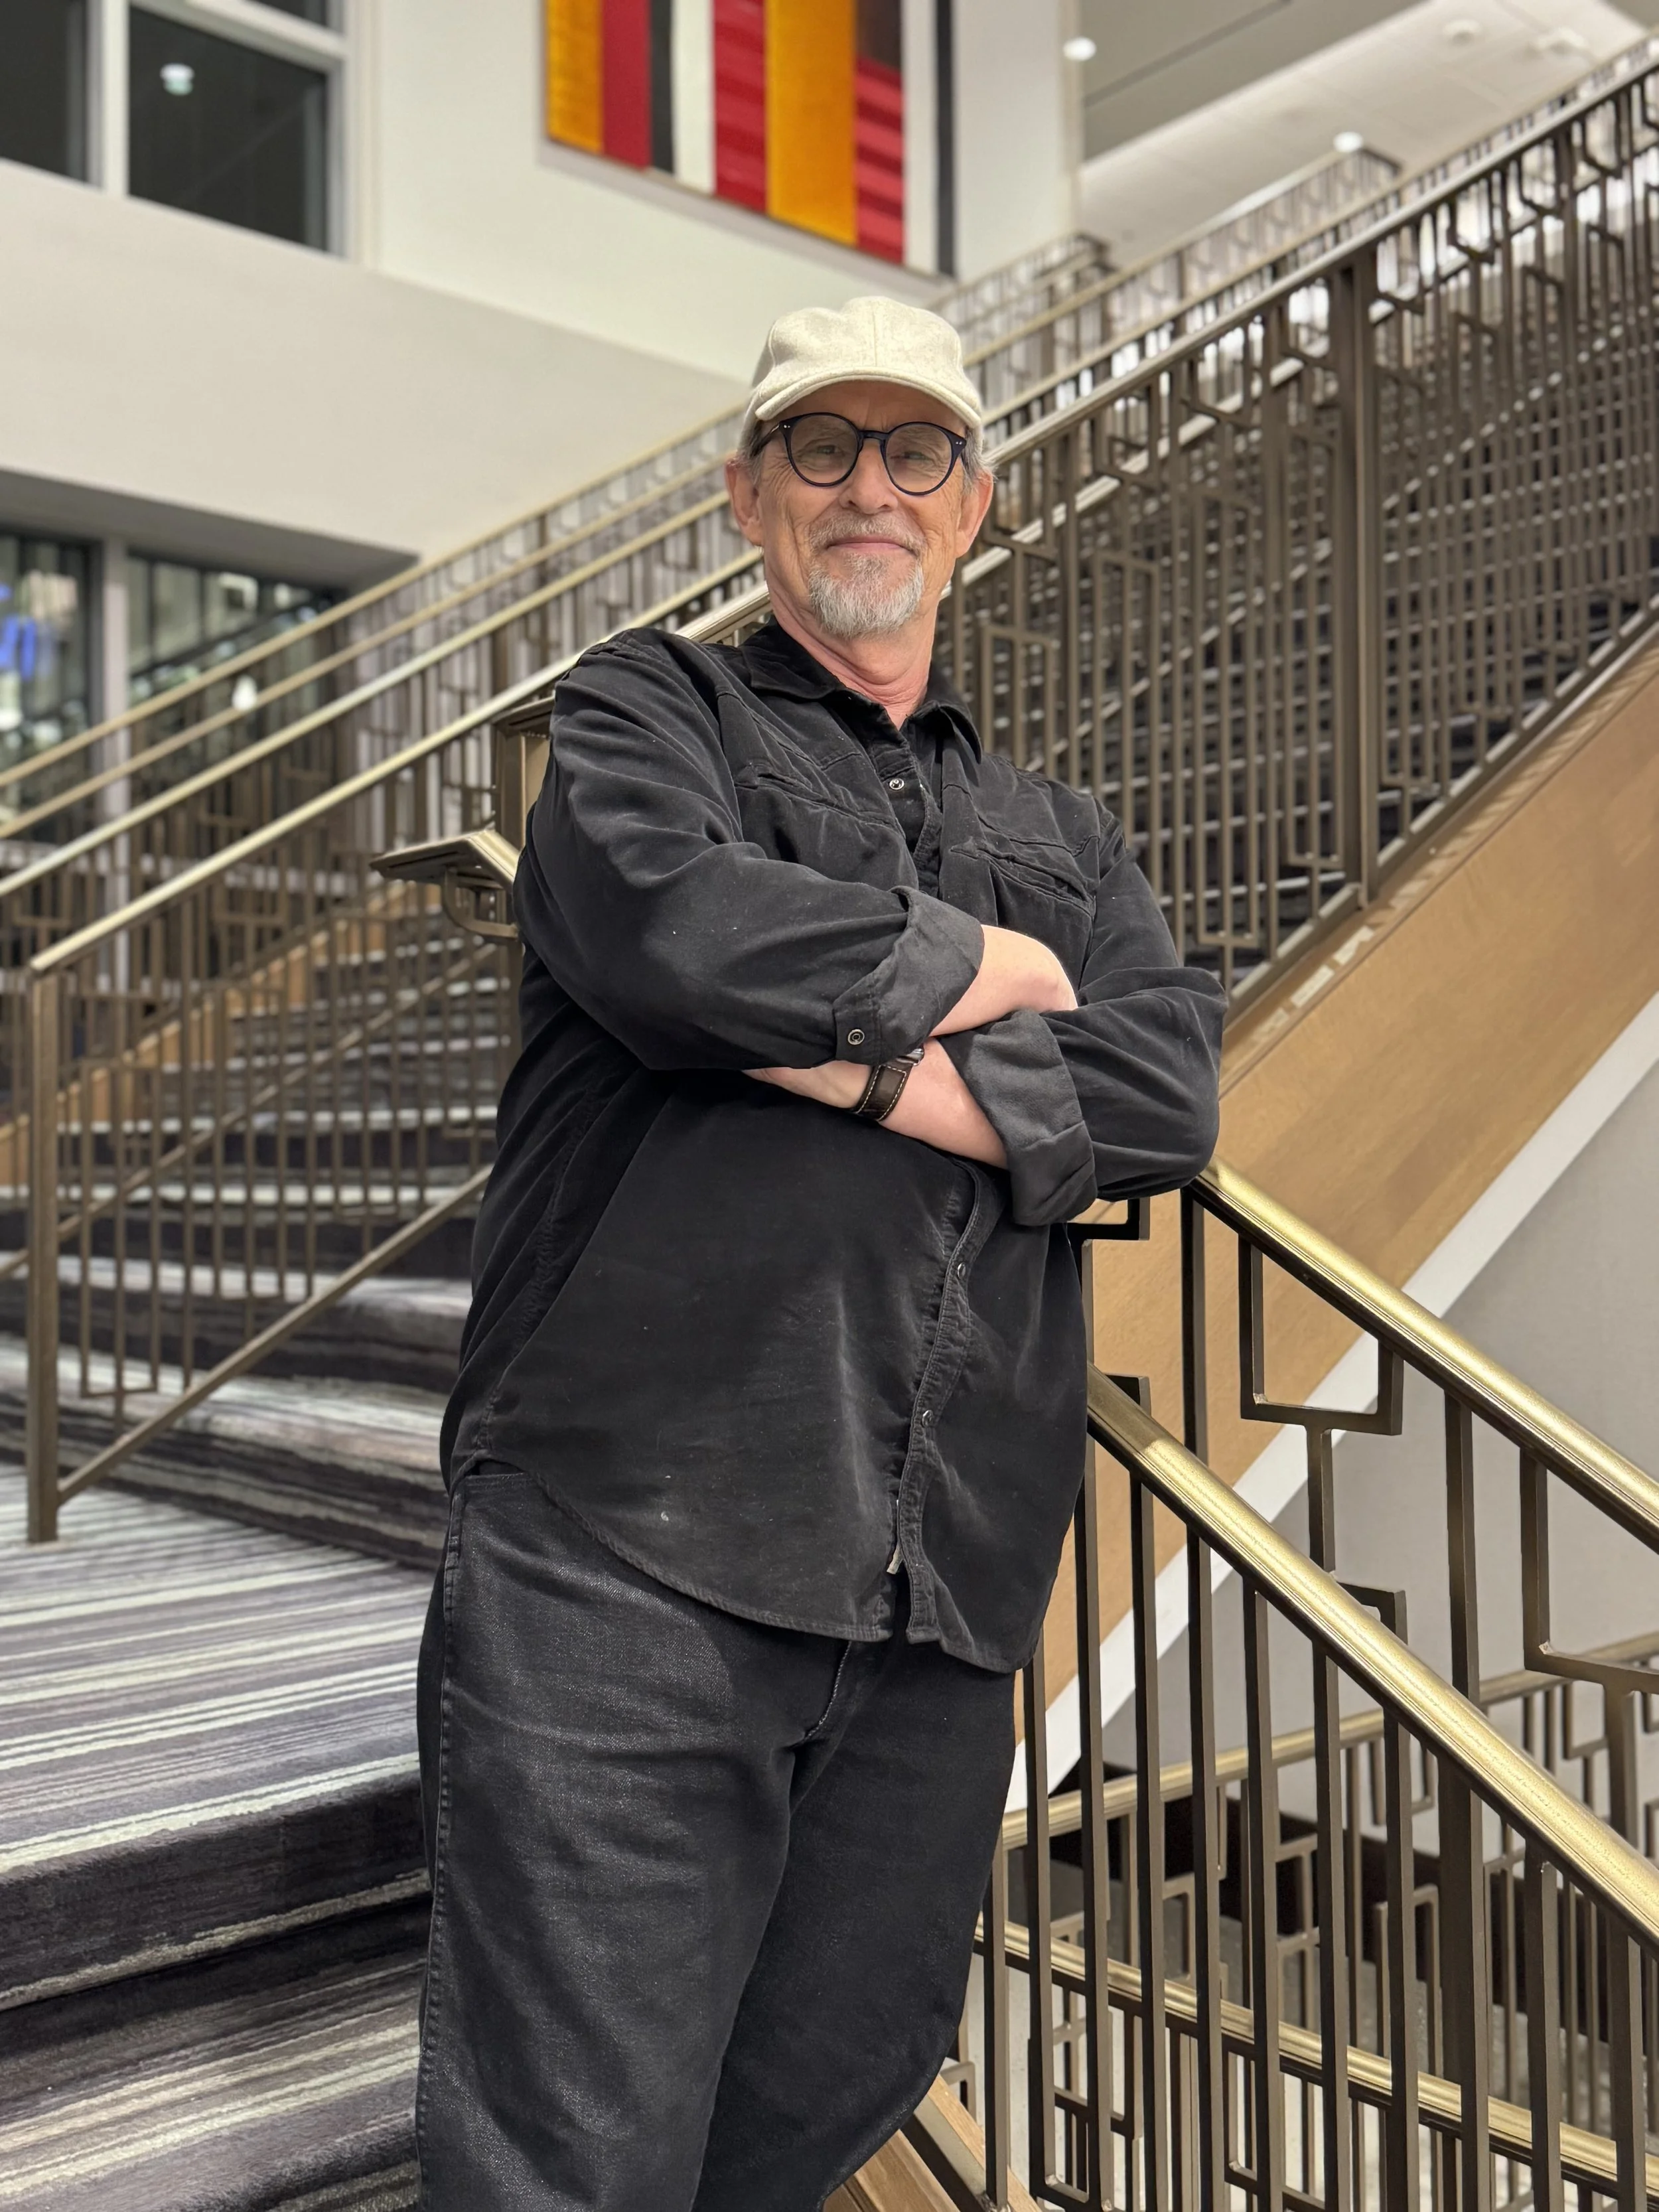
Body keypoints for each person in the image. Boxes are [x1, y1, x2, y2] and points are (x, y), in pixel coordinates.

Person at [416, 295, 1225, 2209]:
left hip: (940, 1586)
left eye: (914, 450)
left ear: (975, 505)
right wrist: (983, 984)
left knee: (832, 2091)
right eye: (820, 447)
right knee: (571, 2156)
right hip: (634, 1544)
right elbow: (679, 938)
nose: (870, 485)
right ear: (746, 495)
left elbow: (1169, 1092)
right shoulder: (642, 712)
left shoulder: (1061, 833)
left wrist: (837, 1055)